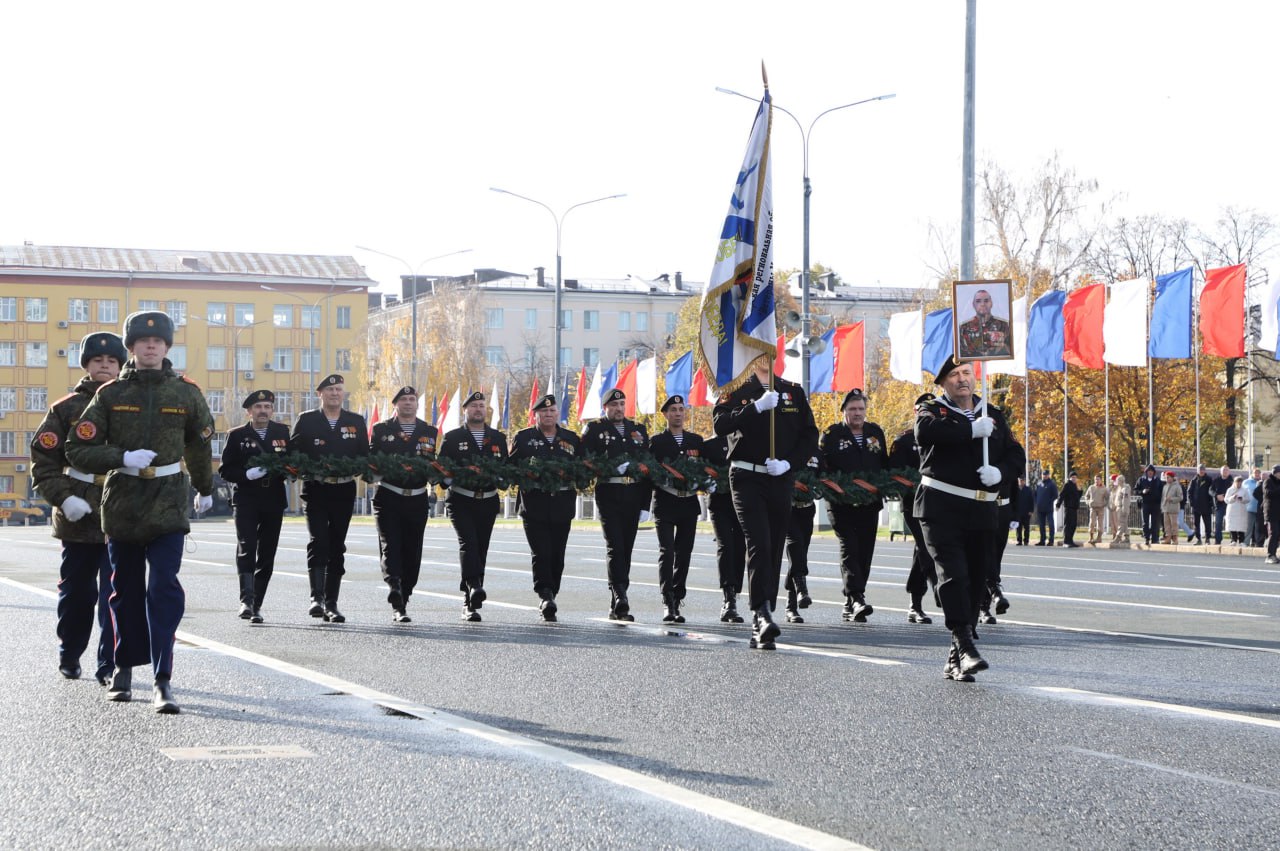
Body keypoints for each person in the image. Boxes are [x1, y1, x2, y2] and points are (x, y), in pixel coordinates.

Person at [66, 311, 214, 714]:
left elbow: (200, 446)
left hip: (168, 501)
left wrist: (205, 487)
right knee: (124, 592)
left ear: (167, 347)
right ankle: (123, 670)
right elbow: (77, 448)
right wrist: (121, 456)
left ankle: (163, 679)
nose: (151, 346)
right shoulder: (110, 394)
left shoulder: (186, 393)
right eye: (143, 341)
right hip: (124, 502)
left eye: (159, 341)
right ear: (131, 348)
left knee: (164, 588)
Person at [914, 356, 1025, 682]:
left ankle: (955, 655)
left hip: (981, 510)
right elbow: (925, 433)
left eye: (967, 373)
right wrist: (969, 430)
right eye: (955, 375)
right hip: (941, 507)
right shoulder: (933, 410)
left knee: (977, 582)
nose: (962, 380)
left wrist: (1001, 473)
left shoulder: (993, 414)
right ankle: (964, 644)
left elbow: (1015, 455)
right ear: (943, 383)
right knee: (954, 576)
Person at [30, 331, 127, 684]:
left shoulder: (131, 405)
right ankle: (69, 653)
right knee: (77, 593)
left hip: (122, 512)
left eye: (112, 361)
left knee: (115, 594)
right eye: (98, 361)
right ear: (86, 365)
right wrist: (64, 498)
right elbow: (43, 461)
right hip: (77, 513)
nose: (105, 366)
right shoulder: (66, 407)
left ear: (121, 365)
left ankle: (110, 663)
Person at [713, 355, 818, 650]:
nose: (764, 357)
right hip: (746, 475)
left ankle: (767, 608)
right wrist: (755, 408)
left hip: (779, 476)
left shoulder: (792, 391)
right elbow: (720, 424)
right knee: (758, 541)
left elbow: (810, 436)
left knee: (772, 545)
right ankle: (760, 614)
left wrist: (789, 464)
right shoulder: (736, 389)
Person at [289, 374, 369, 623]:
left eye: (338, 389)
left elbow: (364, 455)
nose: (335, 393)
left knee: (337, 545)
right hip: (315, 488)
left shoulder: (355, 421)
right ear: (320, 394)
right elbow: (293, 453)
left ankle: (332, 603)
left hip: (344, 490)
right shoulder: (307, 420)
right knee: (318, 541)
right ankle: (317, 598)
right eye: (330, 389)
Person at [218, 389, 290, 624]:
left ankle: (257, 604)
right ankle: (246, 601)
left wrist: (293, 470)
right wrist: (246, 474)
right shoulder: (237, 435)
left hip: (273, 497)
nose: (263, 411)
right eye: (258, 407)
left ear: (272, 410)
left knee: (267, 552)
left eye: (267, 407)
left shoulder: (282, 432)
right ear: (249, 411)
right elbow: (225, 470)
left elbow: (292, 461)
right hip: (247, 497)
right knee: (247, 547)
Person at [368, 385, 438, 623]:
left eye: (412, 399)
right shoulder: (381, 430)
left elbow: (433, 463)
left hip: (417, 497)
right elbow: (372, 460)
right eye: (403, 399)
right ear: (395, 404)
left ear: (417, 404)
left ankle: (404, 596)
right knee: (390, 545)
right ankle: (394, 586)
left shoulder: (430, 431)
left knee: (412, 549)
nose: (408, 403)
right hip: (389, 495)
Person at [509, 394, 580, 621]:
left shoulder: (571, 439)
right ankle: (545, 594)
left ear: (557, 414)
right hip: (534, 503)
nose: (548, 415)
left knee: (558, 554)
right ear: (535, 415)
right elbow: (511, 467)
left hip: (562, 503)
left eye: (552, 411)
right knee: (541, 552)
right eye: (543, 412)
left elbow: (583, 468)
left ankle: (553, 591)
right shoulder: (524, 438)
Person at [581, 388, 651, 621]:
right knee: (615, 545)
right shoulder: (595, 429)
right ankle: (620, 594)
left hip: (633, 492)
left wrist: (645, 503)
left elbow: (647, 466)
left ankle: (617, 601)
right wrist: (609, 469)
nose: (619, 408)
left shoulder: (638, 430)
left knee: (627, 548)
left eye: (622, 404)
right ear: (605, 408)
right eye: (614, 405)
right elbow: (586, 459)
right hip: (609, 492)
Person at [439, 391, 508, 622]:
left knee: (481, 548)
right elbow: (442, 470)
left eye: (481, 405)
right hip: (461, 499)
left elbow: (505, 468)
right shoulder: (452, 437)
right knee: (468, 543)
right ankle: (474, 586)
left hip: (488, 500)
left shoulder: (497, 438)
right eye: (474, 406)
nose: (478, 409)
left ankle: (471, 600)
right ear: (465, 410)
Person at [821, 388, 888, 622]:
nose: (857, 413)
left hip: (869, 503)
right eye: (852, 409)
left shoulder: (875, 432)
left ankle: (853, 599)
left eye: (860, 408)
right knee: (849, 547)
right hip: (841, 504)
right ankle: (857, 596)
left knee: (865, 551)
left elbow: (884, 464)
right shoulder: (832, 434)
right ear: (844, 412)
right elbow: (823, 467)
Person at [648, 395, 704, 624]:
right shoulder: (657, 442)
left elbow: (704, 468)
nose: (678, 413)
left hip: (689, 503)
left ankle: (678, 597)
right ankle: (667, 600)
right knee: (667, 552)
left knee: (684, 554)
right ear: (665, 414)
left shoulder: (695, 441)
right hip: (666, 502)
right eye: (673, 409)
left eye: (681, 409)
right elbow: (651, 472)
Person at [888, 421, 937, 623]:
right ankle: (937, 585)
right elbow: (894, 472)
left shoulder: (942, 436)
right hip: (914, 504)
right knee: (926, 546)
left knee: (923, 550)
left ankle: (915, 604)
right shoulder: (905, 440)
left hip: (941, 503)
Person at [701, 433, 746, 623]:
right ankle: (729, 599)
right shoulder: (710, 445)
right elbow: (700, 468)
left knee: (740, 548)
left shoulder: (745, 440)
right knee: (725, 546)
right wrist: (706, 482)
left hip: (742, 502)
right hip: (720, 503)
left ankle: (735, 593)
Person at [782, 443, 821, 624]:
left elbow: (824, 476)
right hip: (787, 508)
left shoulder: (816, 453)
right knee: (795, 543)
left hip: (807, 509)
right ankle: (801, 590)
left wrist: (818, 488)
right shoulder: (784, 448)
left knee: (801, 551)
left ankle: (792, 607)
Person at [956, 289, 1013, 359]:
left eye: (986, 301)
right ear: (973, 304)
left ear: (991, 303)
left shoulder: (1003, 325)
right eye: (978, 301)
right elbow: (961, 354)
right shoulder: (963, 327)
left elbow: (1009, 351)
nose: (982, 304)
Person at [1186, 465, 1215, 545]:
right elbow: (1189, 492)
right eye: (1200, 470)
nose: (1201, 471)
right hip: (1196, 506)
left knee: (1207, 524)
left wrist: (1211, 503)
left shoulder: (1209, 480)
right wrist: (1191, 502)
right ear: (1197, 471)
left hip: (1206, 506)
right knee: (1196, 524)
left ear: (1205, 470)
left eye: (1203, 469)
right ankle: (1198, 539)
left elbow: (1212, 491)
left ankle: (1207, 539)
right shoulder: (1194, 480)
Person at [1134, 465, 1162, 545]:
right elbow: (1135, 490)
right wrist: (1142, 492)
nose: (1150, 473)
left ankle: (1155, 539)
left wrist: (1159, 499)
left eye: (1151, 472)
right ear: (1146, 472)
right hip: (1145, 503)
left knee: (1155, 522)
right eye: (1148, 472)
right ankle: (1146, 537)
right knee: (1145, 522)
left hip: (1156, 504)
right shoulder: (1141, 480)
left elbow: (1161, 491)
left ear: (1154, 472)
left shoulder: (1157, 480)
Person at [1056, 471, 1082, 547]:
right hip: (1069, 508)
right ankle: (1066, 541)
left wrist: (1080, 491)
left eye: (1075, 477)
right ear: (1070, 478)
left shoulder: (1075, 485)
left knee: (1073, 525)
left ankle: (1070, 540)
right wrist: (1058, 505)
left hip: (1074, 508)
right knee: (1068, 525)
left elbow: (1077, 497)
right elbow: (1062, 495)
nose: (1074, 479)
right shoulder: (1067, 485)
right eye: (1072, 477)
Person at [1084, 474, 1110, 544]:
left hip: (1101, 508)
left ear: (1101, 480)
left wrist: (1104, 504)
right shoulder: (1091, 487)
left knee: (1100, 523)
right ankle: (1091, 537)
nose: (1096, 481)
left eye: (1098, 479)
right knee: (1092, 522)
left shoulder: (1104, 489)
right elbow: (1086, 496)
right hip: (1093, 508)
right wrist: (1088, 502)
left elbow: (1108, 498)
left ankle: (1099, 537)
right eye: (1095, 479)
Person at [1034, 469, 1058, 546]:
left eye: (1046, 474)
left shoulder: (1051, 484)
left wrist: (1049, 501)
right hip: (1040, 508)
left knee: (1051, 524)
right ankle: (1042, 540)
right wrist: (1036, 502)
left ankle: (1051, 540)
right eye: (1043, 474)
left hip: (1048, 508)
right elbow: (1035, 494)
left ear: (1048, 475)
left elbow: (1055, 495)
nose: (1044, 476)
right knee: (1041, 525)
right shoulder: (1039, 484)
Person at [1160, 470, 1184, 544]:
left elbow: (1180, 497)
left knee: (1174, 524)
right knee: (1166, 524)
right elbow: (1163, 497)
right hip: (1165, 508)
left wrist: (1171, 499)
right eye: (1166, 477)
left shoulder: (1177, 486)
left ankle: (1175, 539)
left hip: (1173, 508)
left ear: (1172, 478)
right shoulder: (1165, 486)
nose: (1167, 479)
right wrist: (1162, 506)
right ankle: (1168, 538)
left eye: (1168, 477)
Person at [1263, 465, 1280, 564]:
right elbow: (1268, 493)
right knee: (1274, 533)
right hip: (1271, 513)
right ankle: (1270, 555)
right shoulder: (1268, 481)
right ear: (1276, 473)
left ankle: (1274, 554)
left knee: (1278, 534)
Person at [1224, 475, 1248, 545]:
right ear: (1234, 482)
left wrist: (1242, 499)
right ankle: (1233, 540)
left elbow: (1248, 499)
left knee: (1241, 526)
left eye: (1240, 483)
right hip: (1232, 510)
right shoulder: (1230, 490)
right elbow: (1226, 500)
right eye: (1237, 483)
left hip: (1241, 510)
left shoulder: (1244, 490)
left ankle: (1241, 541)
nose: (1239, 484)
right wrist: (1232, 498)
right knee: (1232, 525)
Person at [1212, 465, 1232, 545]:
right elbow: (1211, 490)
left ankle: (1233, 539)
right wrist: (1216, 495)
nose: (1225, 471)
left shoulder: (1232, 481)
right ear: (1221, 471)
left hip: (1230, 504)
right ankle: (1218, 540)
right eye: (1223, 470)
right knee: (1218, 523)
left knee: (1231, 522)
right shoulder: (1216, 480)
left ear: (1229, 472)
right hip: (1219, 504)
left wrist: (1225, 497)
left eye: (1226, 470)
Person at [1110, 474, 1132, 543]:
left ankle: (1118, 537)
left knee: (1121, 523)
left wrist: (1124, 509)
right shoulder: (1120, 488)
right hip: (1119, 507)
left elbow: (1125, 500)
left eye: (1117, 481)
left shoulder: (1125, 488)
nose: (1116, 482)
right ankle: (1127, 537)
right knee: (1124, 523)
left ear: (1120, 481)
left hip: (1123, 508)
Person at [1244, 467, 1263, 546]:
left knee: (1258, 528)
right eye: (1255, 473)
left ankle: (1256, 542)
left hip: (1260, 509)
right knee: (1249, 527)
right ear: (1252, 473)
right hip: (1249, 507)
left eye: (1258, 473)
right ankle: (1246, 542)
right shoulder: (1246, 482)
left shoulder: (1263, 482)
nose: (1257, 474)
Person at [1014, 475, 1034, 545]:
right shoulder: (1016, 489)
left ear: (1024, 481)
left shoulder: (1028, 489)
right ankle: (1019, 541)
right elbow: (1013, 501)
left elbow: (1031, 501)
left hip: (1026, 512)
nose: (1021, 482)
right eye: (1019, 480)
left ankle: (1026, 540)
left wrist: (1031, 510)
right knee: (1018, 527)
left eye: (1022, 480)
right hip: (1018, 512)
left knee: (1026, 527)